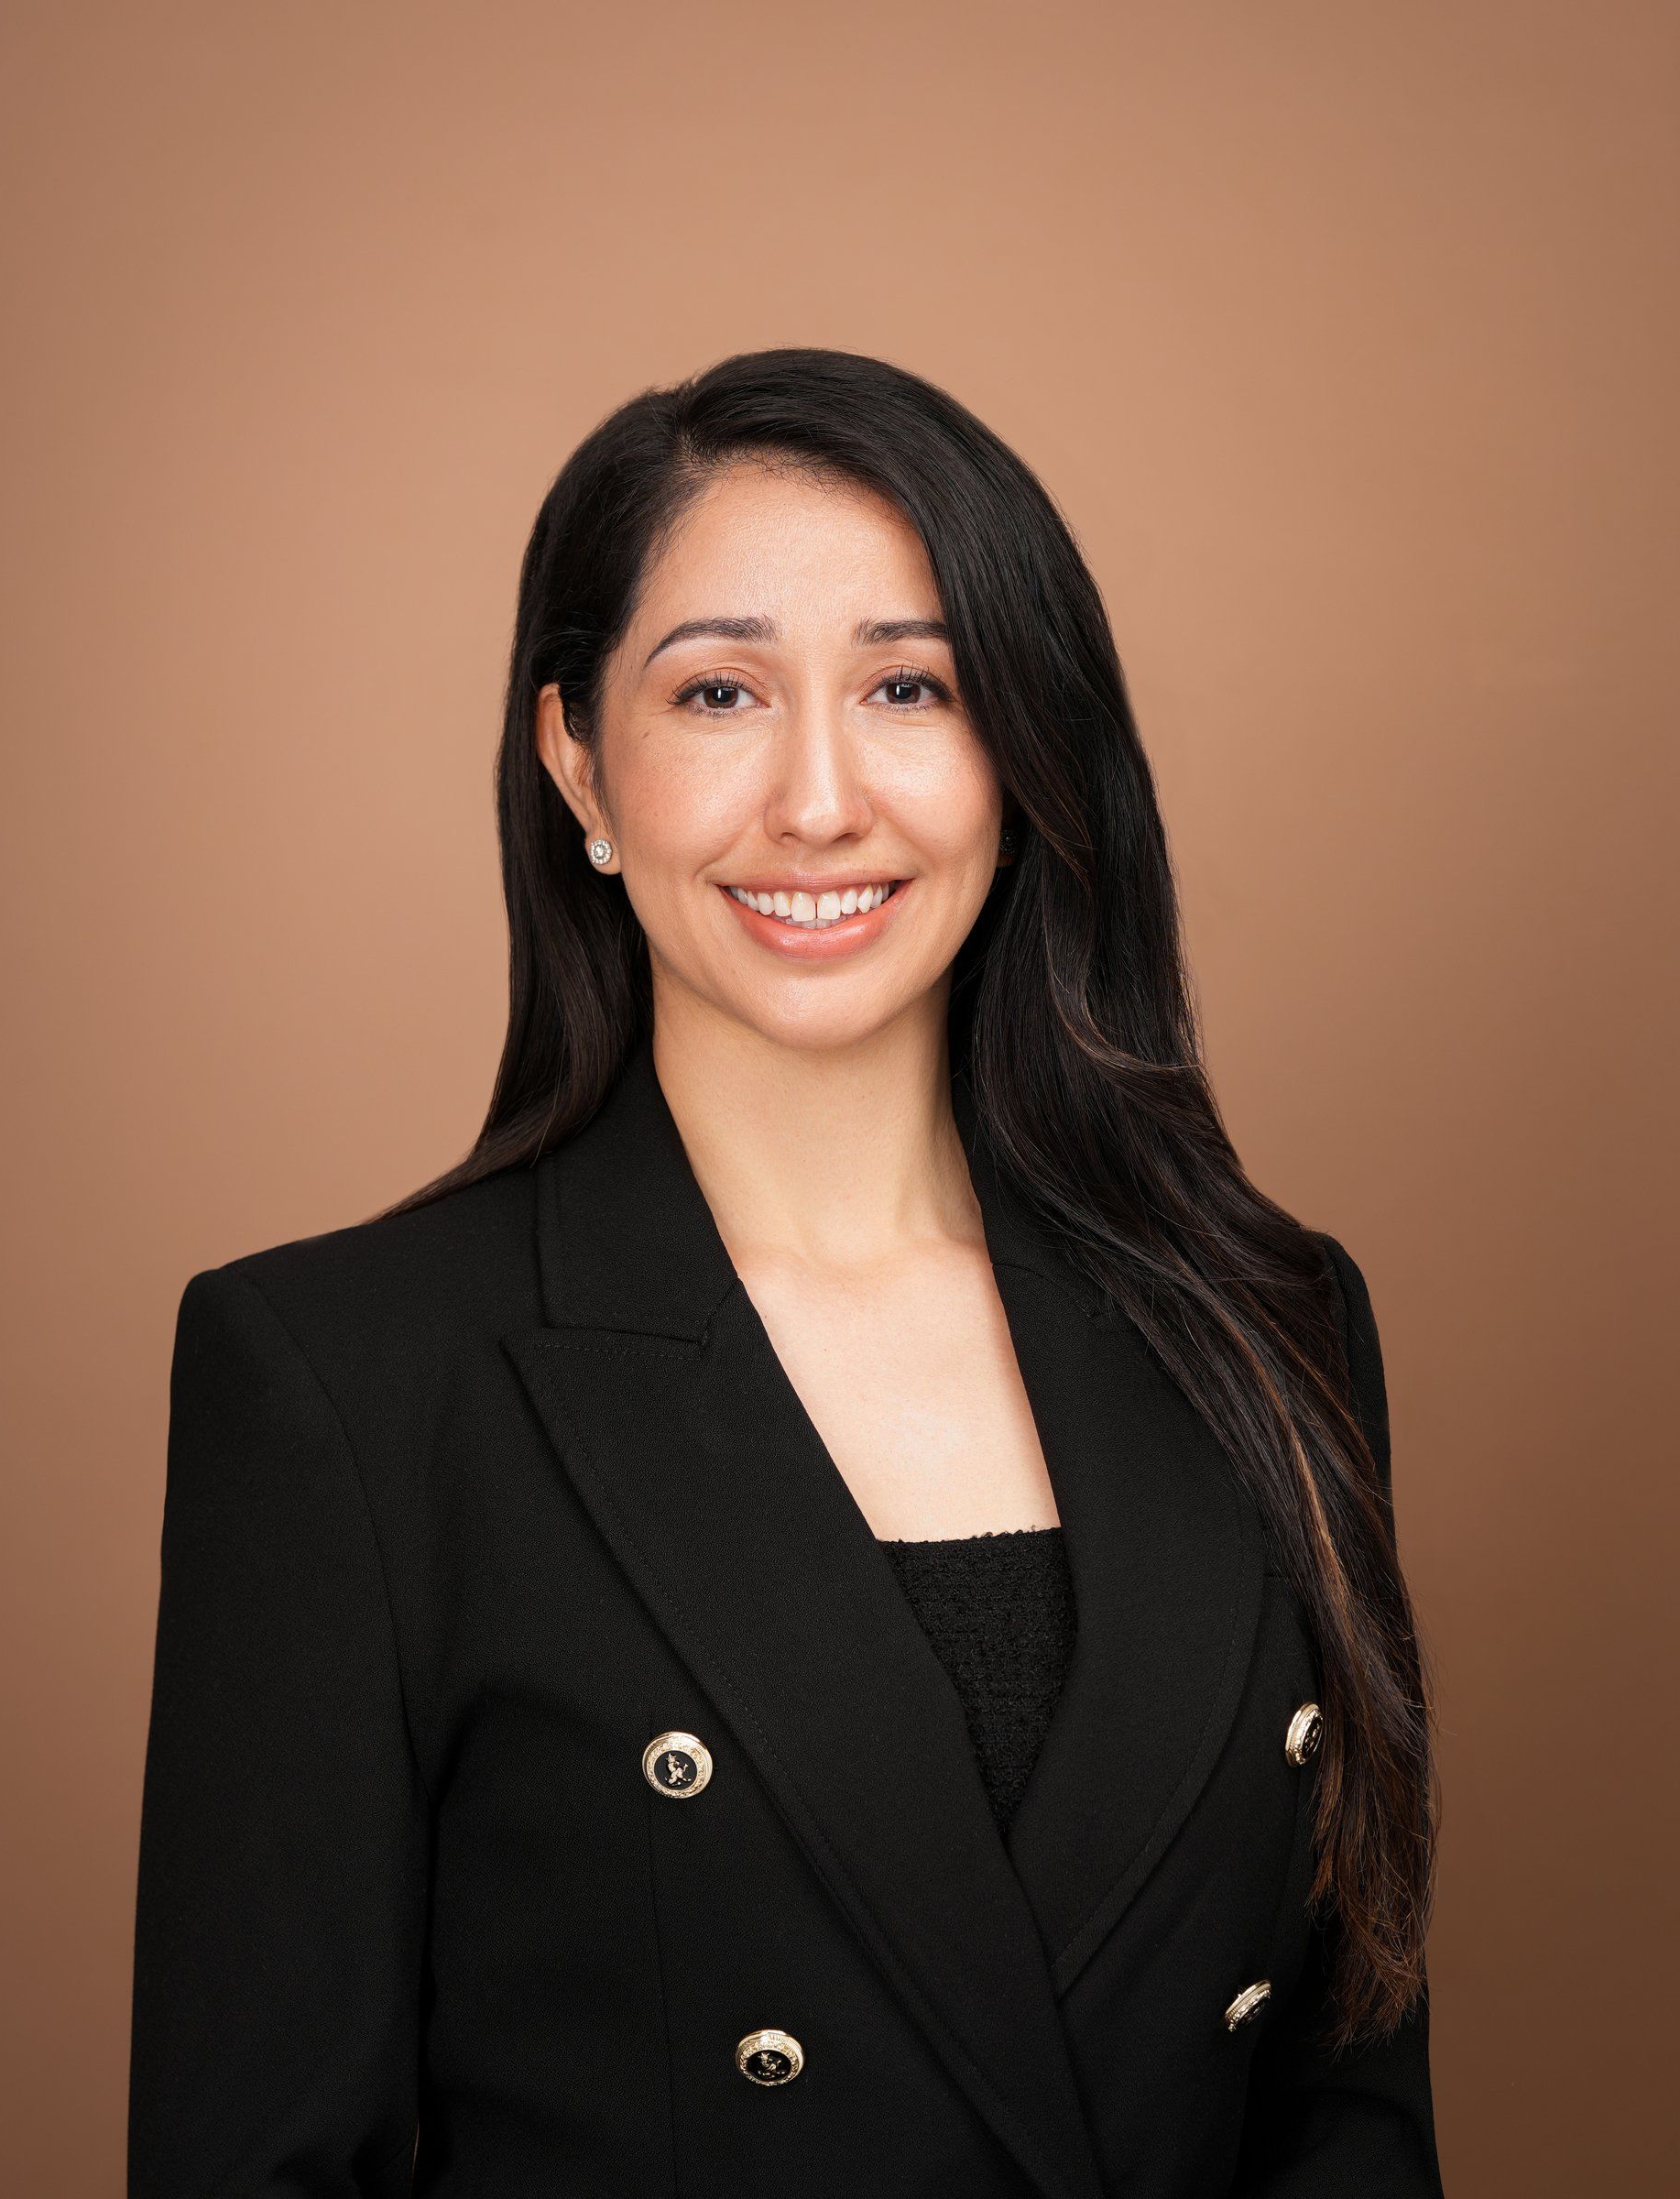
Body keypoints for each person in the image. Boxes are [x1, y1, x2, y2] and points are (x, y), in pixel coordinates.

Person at [128, 346, 1444, 2196]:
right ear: (578, 759)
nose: (820, 802)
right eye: (720, 692)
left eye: (911, 686)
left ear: (1026, 755)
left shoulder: (1270, 1324)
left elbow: (1349, 2109)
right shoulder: (345, 1380)